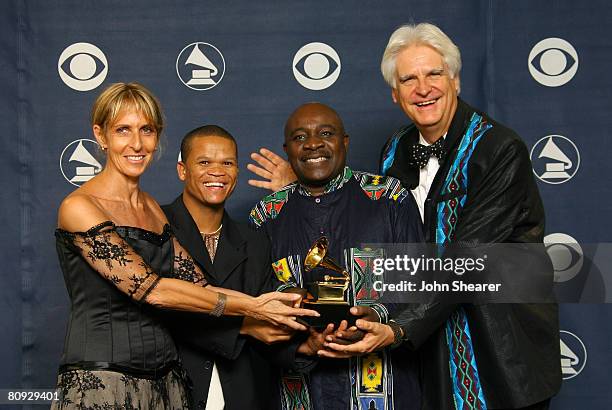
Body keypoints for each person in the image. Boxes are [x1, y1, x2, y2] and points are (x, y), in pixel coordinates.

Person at [246, 23, 561, 410]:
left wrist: (396, 329)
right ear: (396, 95)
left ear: (456, 80)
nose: (422, 88)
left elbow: (467, 258)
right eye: (408, 79)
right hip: (431, 339)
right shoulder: (397, 148)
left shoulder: (498, 149)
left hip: (496, 338)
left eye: (433, 74)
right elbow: (380, 226)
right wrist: (303, 187)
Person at [53, 82, 317, 409]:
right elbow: (154, 290)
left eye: (146, 130)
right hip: (103, 379)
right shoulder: (79, 206)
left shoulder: (151, 208)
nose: (136, 144)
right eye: (123, 130)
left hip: (167, 381)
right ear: (101, 135)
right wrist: (252, 308)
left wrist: (270, 304)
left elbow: (198, 284)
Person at [249, 102, 423, 410]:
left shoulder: (389, 197)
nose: (313, 143)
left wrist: (377, 315)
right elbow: (253, 304)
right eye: (300, 137)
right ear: (287, 148)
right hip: (300, 391)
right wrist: (296, 324)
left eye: (326, 133)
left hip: (384, 386)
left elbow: (418, 282)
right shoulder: (266, 216)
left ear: (345, 141)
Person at [162, 125, 295, 410]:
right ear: (182, 170)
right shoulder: (155, 226)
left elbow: (269, 322)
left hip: (244, 394)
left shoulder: (255, 241)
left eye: (227, 163)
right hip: (170, 391)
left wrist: (314, 339)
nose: (217, 172)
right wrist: (244, 325)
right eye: (205, 162)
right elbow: (161, 311)